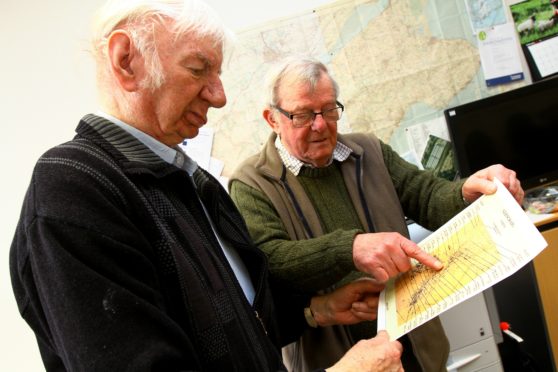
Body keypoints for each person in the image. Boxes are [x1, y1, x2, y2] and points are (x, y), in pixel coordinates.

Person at [8, 2, 404, 371]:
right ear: (125, 61)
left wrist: (318, 309)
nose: (220, 96)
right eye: (198, 70)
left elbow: (239, 323)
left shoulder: (189, 180)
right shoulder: (73, 190)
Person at [229, 56, 525, 372]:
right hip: (338, 360)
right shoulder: (251, 183)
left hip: (414, 348)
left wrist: (468, 190)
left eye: (329, 110)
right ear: (272, 119)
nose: (320, 124)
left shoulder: (367, 150)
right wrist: (351, 249)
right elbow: (271, 262)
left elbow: (426, 196)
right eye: (302, 115)